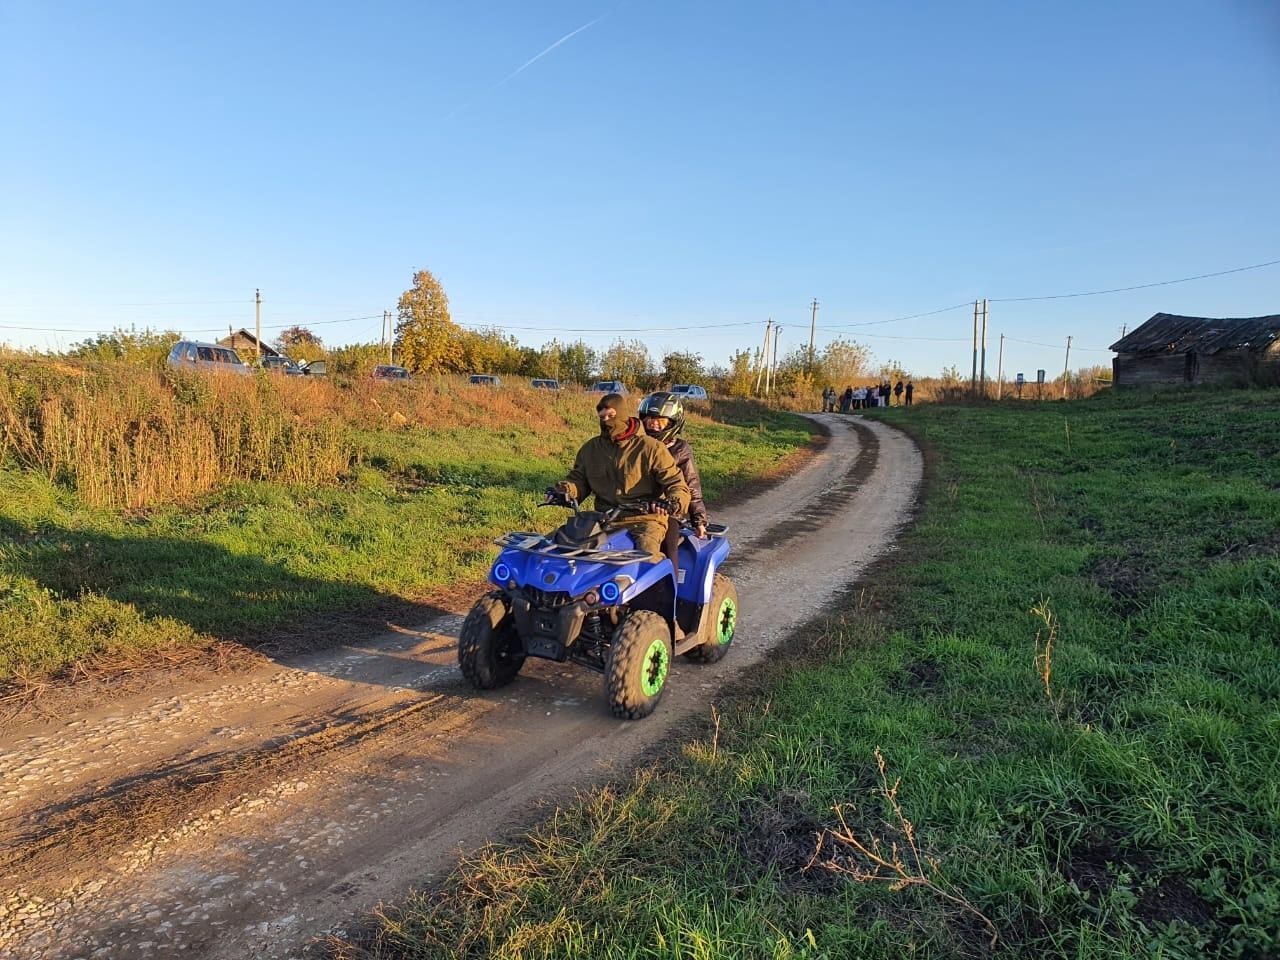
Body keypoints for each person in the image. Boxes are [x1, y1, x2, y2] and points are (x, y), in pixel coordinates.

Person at [551, 393, 690, 559]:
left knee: (647, 558)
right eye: (602, 417)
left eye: (611, 415)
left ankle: (660, 585)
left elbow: (676, 483)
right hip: (604, 519)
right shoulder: (591, 449)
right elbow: (578, 480)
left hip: (644, 520)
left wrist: (672, 502)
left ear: (623, 415)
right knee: (559, 547)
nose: (606, 421)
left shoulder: (651, 448)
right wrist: (564, 491)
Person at [639, 392, 708, 576]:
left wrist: (699, 520)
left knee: (670, 547)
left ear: (672, 422)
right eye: (650, 420)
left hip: (667, 510)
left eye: (660, 421)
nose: (653, 424)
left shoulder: (680, 449)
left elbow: (691, 484)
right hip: (635, 507)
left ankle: (672, 596)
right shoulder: (637, 445)